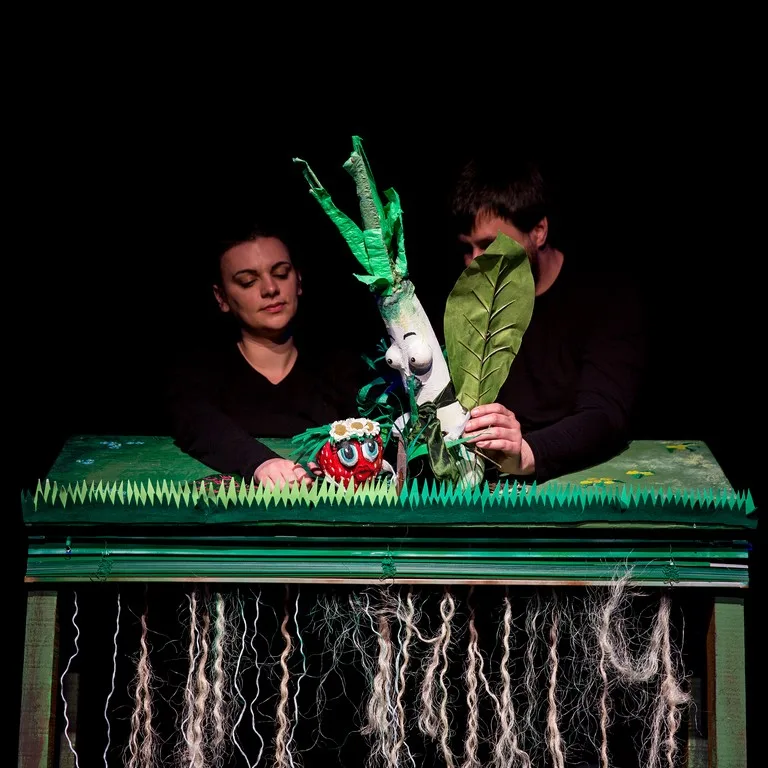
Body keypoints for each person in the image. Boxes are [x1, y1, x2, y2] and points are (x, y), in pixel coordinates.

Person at [455, 151, 648, 484]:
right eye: (467, 248)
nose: (474, 262)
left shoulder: (606, 297)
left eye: (489, 245)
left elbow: (605, 415)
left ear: (539, 231)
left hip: (578, 479)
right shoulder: (467, 304)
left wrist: (527, 452)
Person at [166, 222, 365, 488]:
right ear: (221, 297)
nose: (270, 289)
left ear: (298, 280)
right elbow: (196, 422)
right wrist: (261, 463)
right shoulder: (197, 375)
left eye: (281, 274)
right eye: (247, 281)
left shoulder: (345, 370)